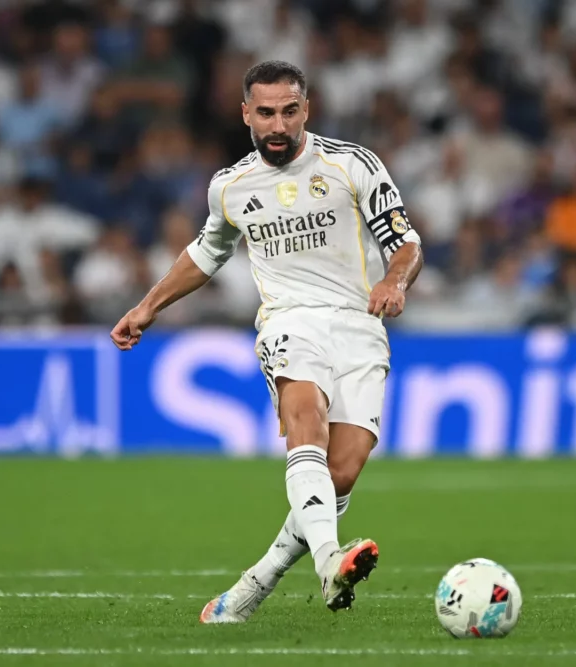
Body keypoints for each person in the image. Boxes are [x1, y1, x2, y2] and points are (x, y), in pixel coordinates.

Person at [109, 61, 423, 620]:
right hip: (288, 321)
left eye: (289, 111)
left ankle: (255, 584)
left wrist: (394, 280)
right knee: (305, 418)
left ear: (307, 109)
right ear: (246, 114)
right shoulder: (230, 186)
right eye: (266, 113)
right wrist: (147, 306)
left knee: (341, 473)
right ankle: (330, 560)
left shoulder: (352, 164)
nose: (278, 124)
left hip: (359, 325)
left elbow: (404, 240)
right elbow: (206, 252)